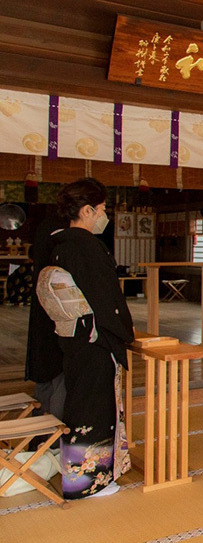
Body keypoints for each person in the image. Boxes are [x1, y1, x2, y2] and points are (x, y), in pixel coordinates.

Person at [44, 179, 133, 499]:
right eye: (103, 209)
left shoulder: (60, 245)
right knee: (95, 409)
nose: (104, 215)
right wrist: (124, 334)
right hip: (95, 340)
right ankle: (88, 483)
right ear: (87, 210)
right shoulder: (86, 247)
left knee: (81, 403)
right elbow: (106, 299)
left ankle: (82, 475)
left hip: (73, 339)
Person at [25, 210, 68, 417]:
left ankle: (39, 438)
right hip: (57, 314)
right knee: (59, 378)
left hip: (45, 313)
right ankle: (53, 437)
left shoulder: (48, 225)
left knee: (46, 378)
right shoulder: (60, 230)